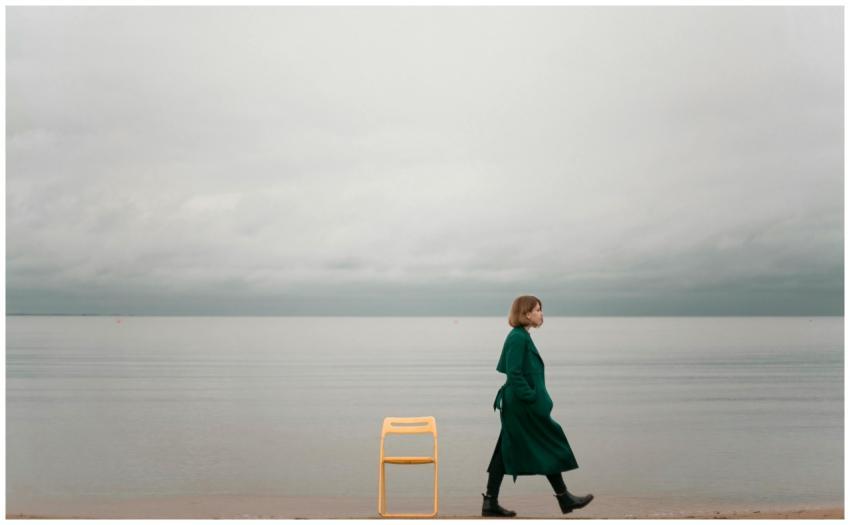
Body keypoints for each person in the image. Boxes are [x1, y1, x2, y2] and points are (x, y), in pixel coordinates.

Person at [482, 295, 594, 517]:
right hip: (522, 405)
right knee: (547, 442)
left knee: (507, 450)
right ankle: (564, 498)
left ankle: (491, 502)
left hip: (521, 404)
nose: (542, 314)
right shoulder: (517, 338)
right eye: (538, 309)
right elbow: (513, 372)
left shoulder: (522, 336)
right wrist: (531, 397)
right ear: (525, 313)